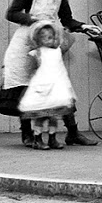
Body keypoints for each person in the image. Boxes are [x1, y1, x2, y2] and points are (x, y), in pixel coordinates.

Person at [0, 0, 100, 149]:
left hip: (48, 43)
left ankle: (72, 132)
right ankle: (28, 134)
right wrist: (32, 19)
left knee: (58, 87)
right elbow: (12, 13)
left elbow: (66, 19)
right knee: (26, 89)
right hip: (26, 43)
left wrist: (83, 26)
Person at [19, 21, 77, 149]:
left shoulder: (57, 51)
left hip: (56, 88)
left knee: (54, 117)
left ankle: (52, 138)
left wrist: (63, 29)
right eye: (46, 38)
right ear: (39, 40)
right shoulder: (36, 53)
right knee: (41, 116)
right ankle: (37, 139)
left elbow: (68, 40)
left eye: (52, 37)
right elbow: (30, 69)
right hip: (42, 87)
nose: (50, 41)